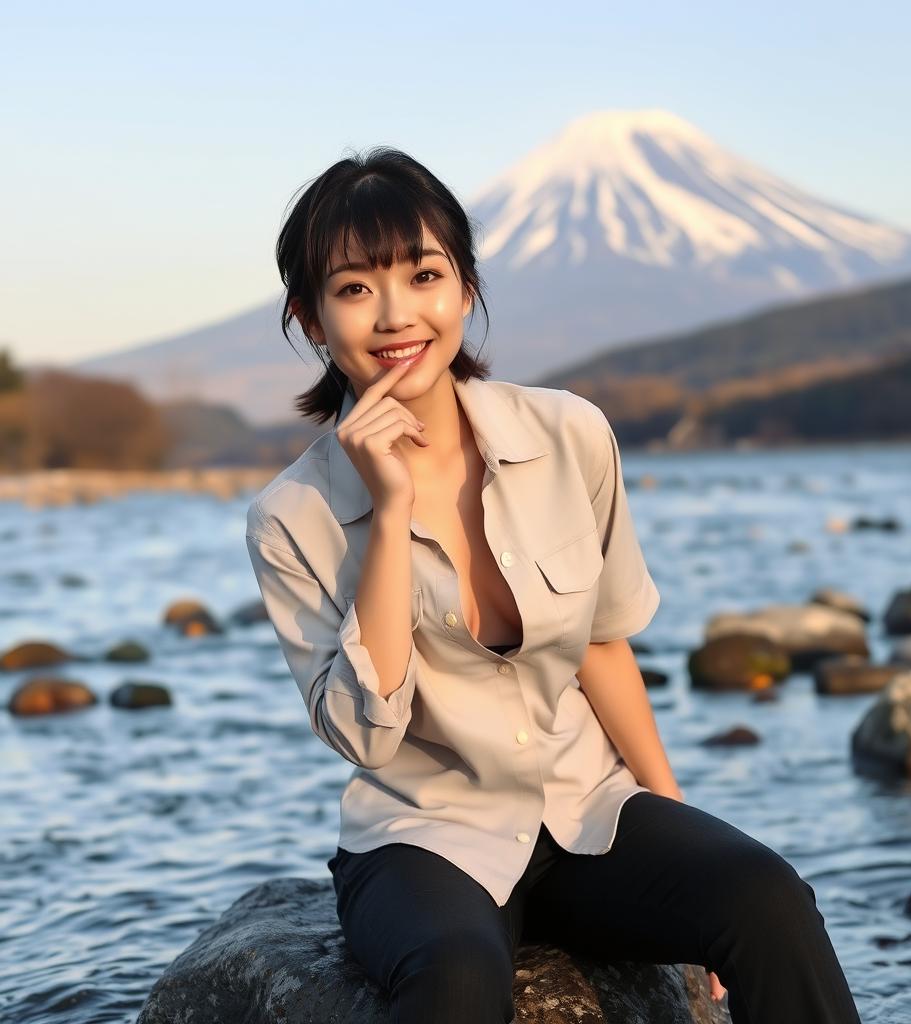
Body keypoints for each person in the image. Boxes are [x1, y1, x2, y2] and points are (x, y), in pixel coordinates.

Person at [244, 146, 863, 1024]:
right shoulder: (290, 517)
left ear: (464, 288)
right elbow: (365, 738)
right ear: (311, 319)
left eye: (424, 275)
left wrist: (684, 835)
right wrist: (386, 514)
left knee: (764, 895)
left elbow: (602, 646)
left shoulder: (572, 433)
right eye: (354, 290)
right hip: (423, 835)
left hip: (590, 808)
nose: (396, 316)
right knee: (457, 977)